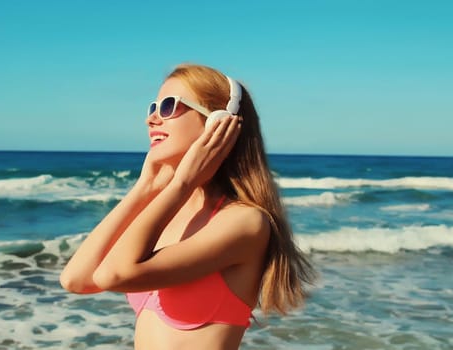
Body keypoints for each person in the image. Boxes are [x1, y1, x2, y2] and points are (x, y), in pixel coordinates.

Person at [60, 63, 314, 350]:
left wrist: (183, 183)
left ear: (218, 123)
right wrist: (146, 187)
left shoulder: (245, 222)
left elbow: (114, 275)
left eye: (169, 106)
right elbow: (76, 279)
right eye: (152, 107)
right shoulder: (169, 212)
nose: (152, 119)